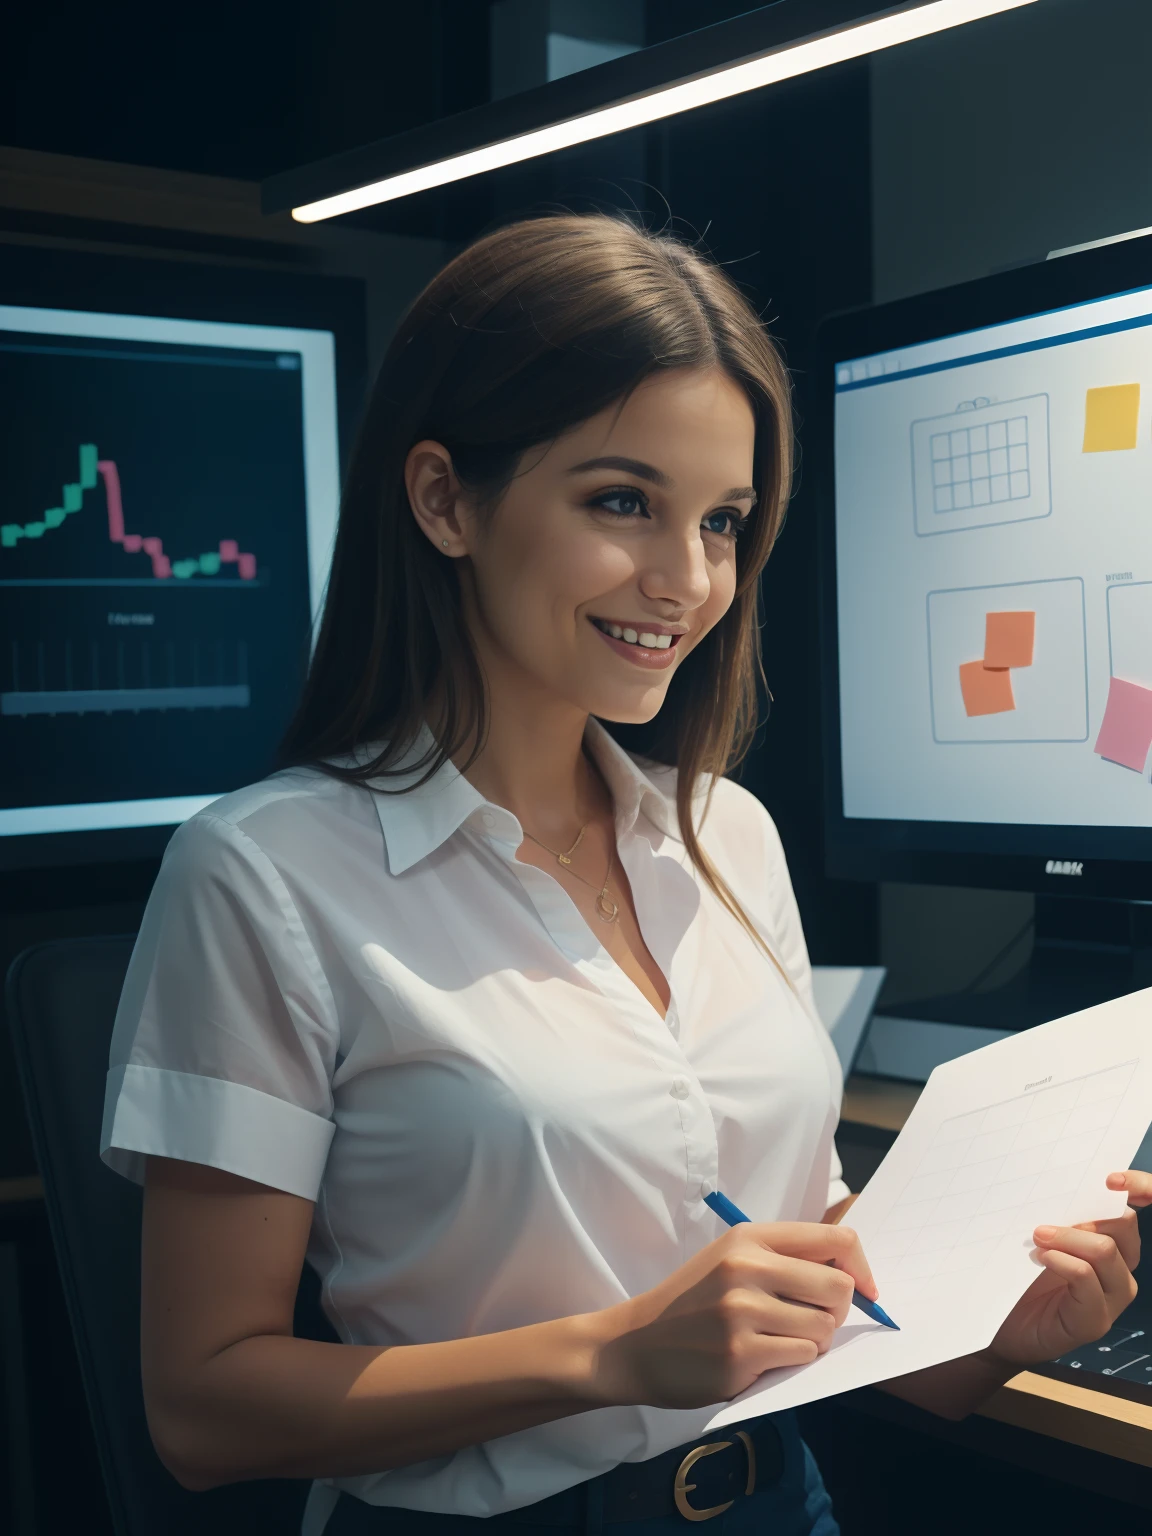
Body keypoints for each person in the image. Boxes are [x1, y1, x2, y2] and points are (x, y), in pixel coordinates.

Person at [101, 215, 1146, 1536]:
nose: (689, 580)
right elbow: (203, 1412)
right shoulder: (264, 875)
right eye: (622, 502)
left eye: (723, 521)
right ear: (444, 500)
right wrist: (612, 1353)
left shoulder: (728, 836)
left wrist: (994, 1333)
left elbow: (829, 1317)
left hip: (779, 1505)